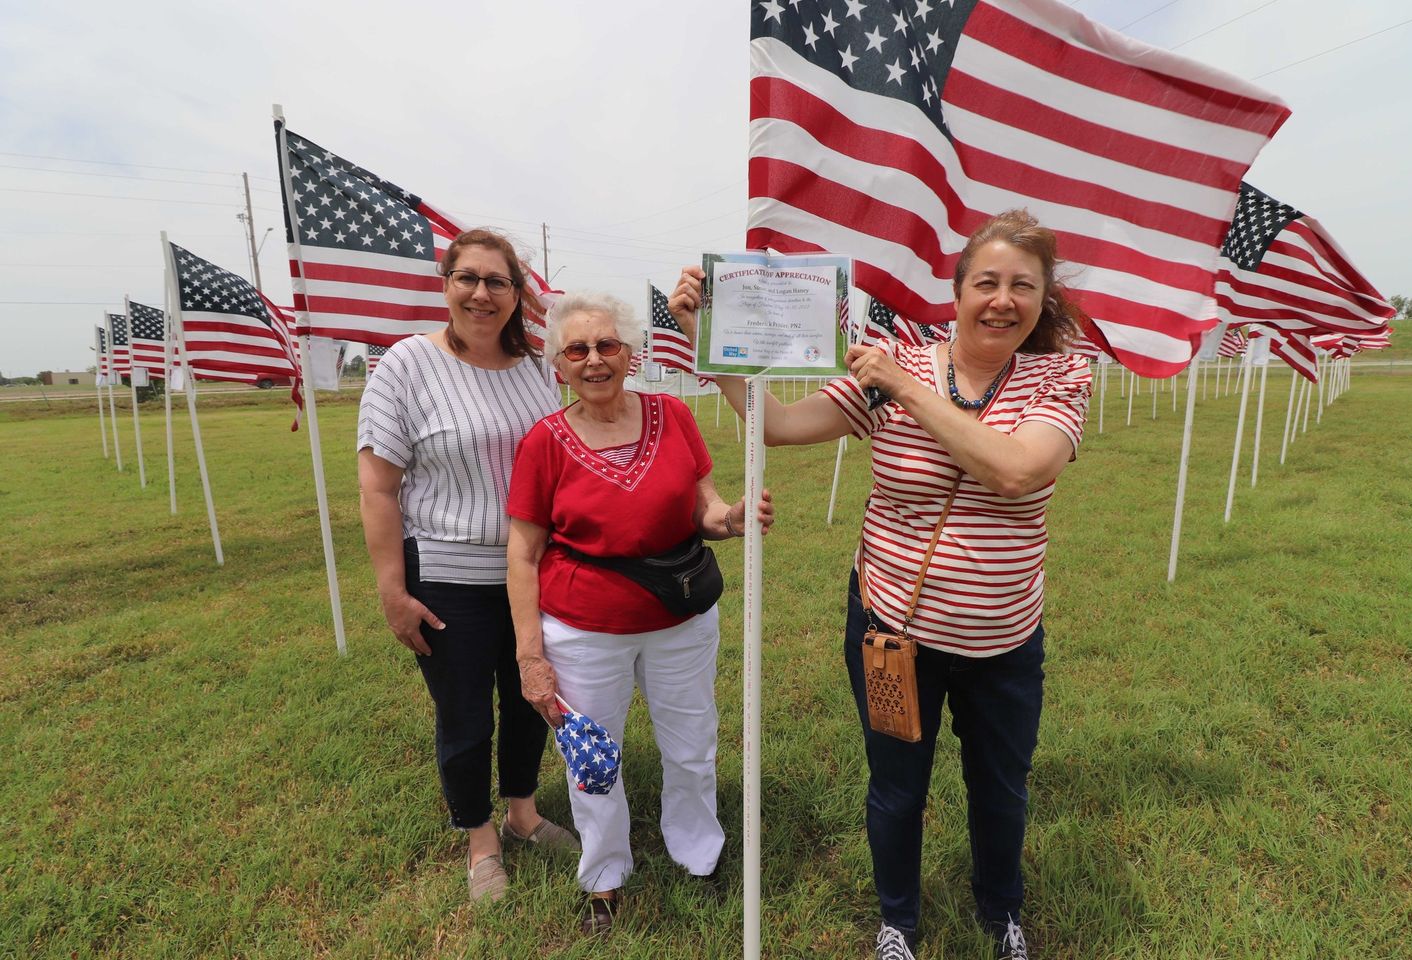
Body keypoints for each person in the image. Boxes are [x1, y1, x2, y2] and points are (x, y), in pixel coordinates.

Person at [669, 210, 1091, 960]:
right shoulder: (893, 364)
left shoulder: (1060, 374)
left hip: (1004, 640)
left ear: (1043, 299)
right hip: (893, 628)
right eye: (986, 282)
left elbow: (1020, 468)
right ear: (957, 292)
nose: (1002, 300)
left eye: (1022, 287)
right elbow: (781, 424)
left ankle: (1002, 912)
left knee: (1001, 788)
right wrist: (716, 340)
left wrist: (901, 382)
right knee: (897, 787)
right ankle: (898, 920)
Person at [506, 291, 774, 937]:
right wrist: (529, 655)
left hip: (679, 619)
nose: (594, 359)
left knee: (691, 744)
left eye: (607, 345)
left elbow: (701, 506)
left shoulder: (673, 414)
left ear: (632, 352)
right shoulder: (543, 442)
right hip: (582, 630)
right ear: (559, 365)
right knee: (593, 759)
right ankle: (603, 874)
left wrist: (729, 520)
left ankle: (697, 851)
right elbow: (522, 553)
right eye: (578, 349)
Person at [357, 229, 579, 904]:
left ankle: (522, 813)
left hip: (531, 575)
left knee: (527, 700)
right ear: (446, 284)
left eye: (498, 282)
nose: (481, 294)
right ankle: (480, 838)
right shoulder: (405, 365)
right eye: (468, 278)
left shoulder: (540, 371)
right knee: (464, 715)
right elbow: (377, 486)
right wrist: (392, 590)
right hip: (446, 576)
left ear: (518, 294)